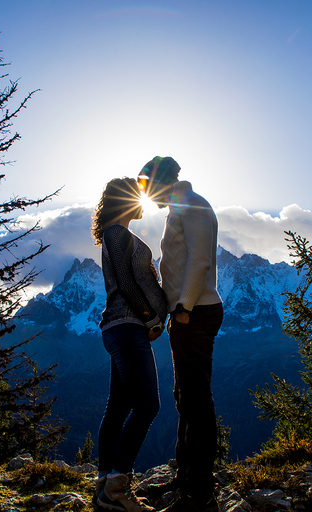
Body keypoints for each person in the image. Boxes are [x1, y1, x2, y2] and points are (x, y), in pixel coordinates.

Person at [138, 157, 223, 512]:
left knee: (196, 400)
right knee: (185, 396)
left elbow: (200, 260)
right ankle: (185, 478)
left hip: (197, 311)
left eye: (146, 185)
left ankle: (200, 495)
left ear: (161, 181)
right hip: (186, 313)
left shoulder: (195, 207)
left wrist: (185, 307)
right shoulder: (180, 209)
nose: (145, 193)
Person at [91, 177, 168, 512]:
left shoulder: (117, 232)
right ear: (126, 200)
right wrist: (151, 316)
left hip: (121, 327)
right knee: (147, 406)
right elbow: (125, 282)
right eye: (138, 197)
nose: (143, 202)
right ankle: (117, 488)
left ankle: (104, 483)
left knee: (118, 409)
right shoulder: (116, 233)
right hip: (128, 327)